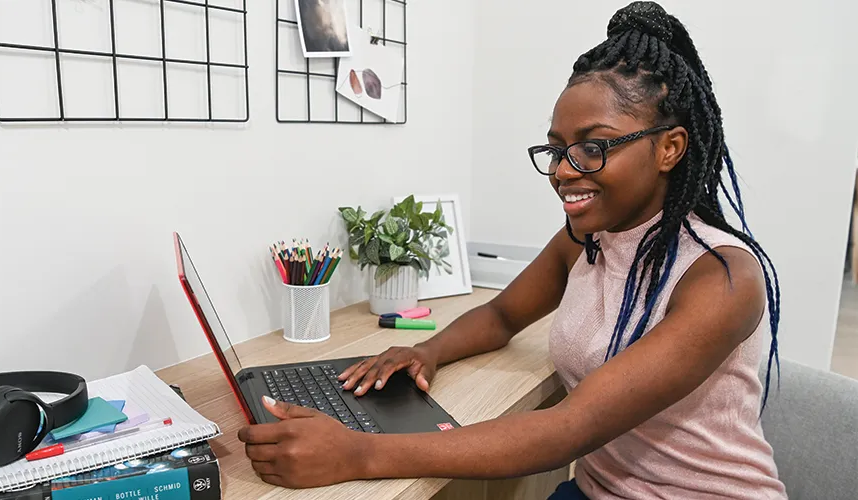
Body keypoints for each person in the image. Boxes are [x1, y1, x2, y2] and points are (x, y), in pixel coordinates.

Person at [237, 2, 788, 498]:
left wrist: (358, 454)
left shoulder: (721, 277)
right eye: (556, 150)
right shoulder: (587, 240)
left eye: (593, 147)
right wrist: (427, 352)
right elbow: (503, 314)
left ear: (670, 148)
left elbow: (567, 428)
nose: (564, 170)